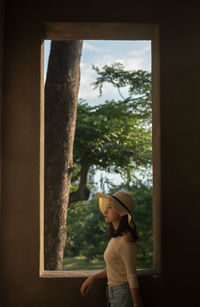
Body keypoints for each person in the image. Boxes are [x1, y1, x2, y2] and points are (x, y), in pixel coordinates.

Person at [80, 191, 143, 307]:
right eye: (105, 207)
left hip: (123, 295)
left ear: (121, 213)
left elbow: (131, 275)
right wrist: (93, 277)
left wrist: (136, 303)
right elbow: (114, 268)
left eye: (109, 208)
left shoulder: (125, 240)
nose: (105, 211)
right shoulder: (115, 239)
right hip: (114, 294)